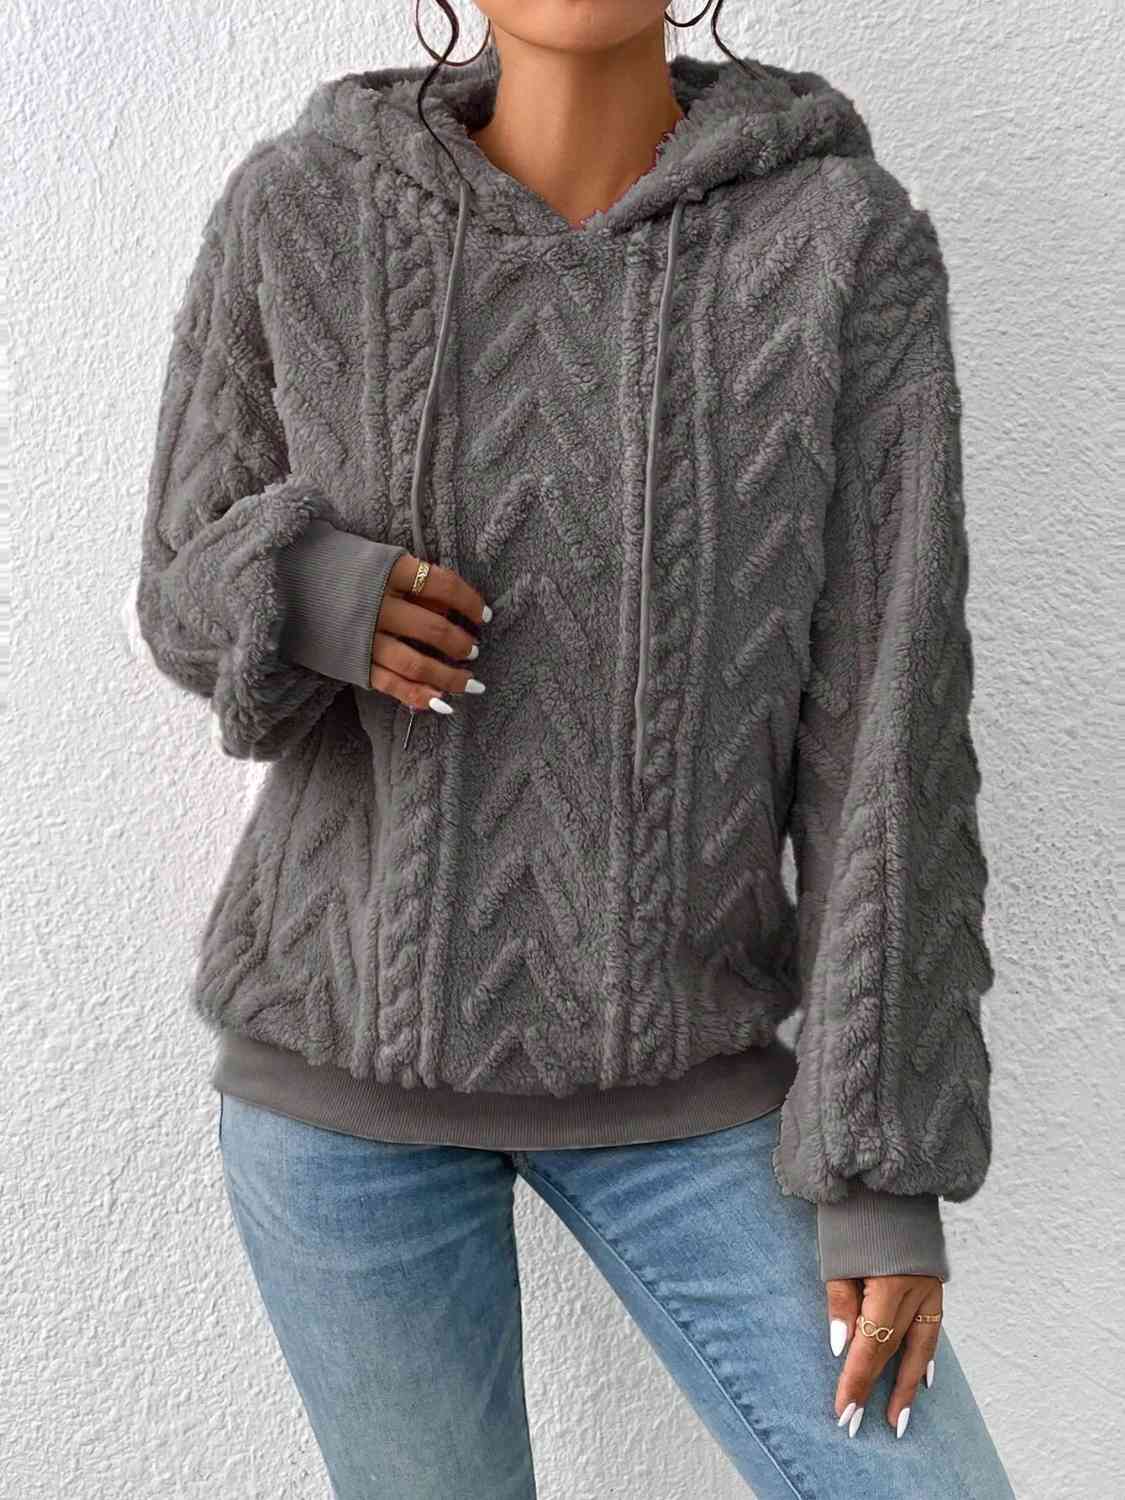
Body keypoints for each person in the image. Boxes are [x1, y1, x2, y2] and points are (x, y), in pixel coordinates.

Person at [134, 2, 1013, 1495]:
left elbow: (894, 718)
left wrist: (881, 1166)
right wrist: (312, 590)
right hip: (339, 1091)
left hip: (695, 1086)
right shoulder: (301, 205)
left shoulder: (839, 241)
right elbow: (178, 580)